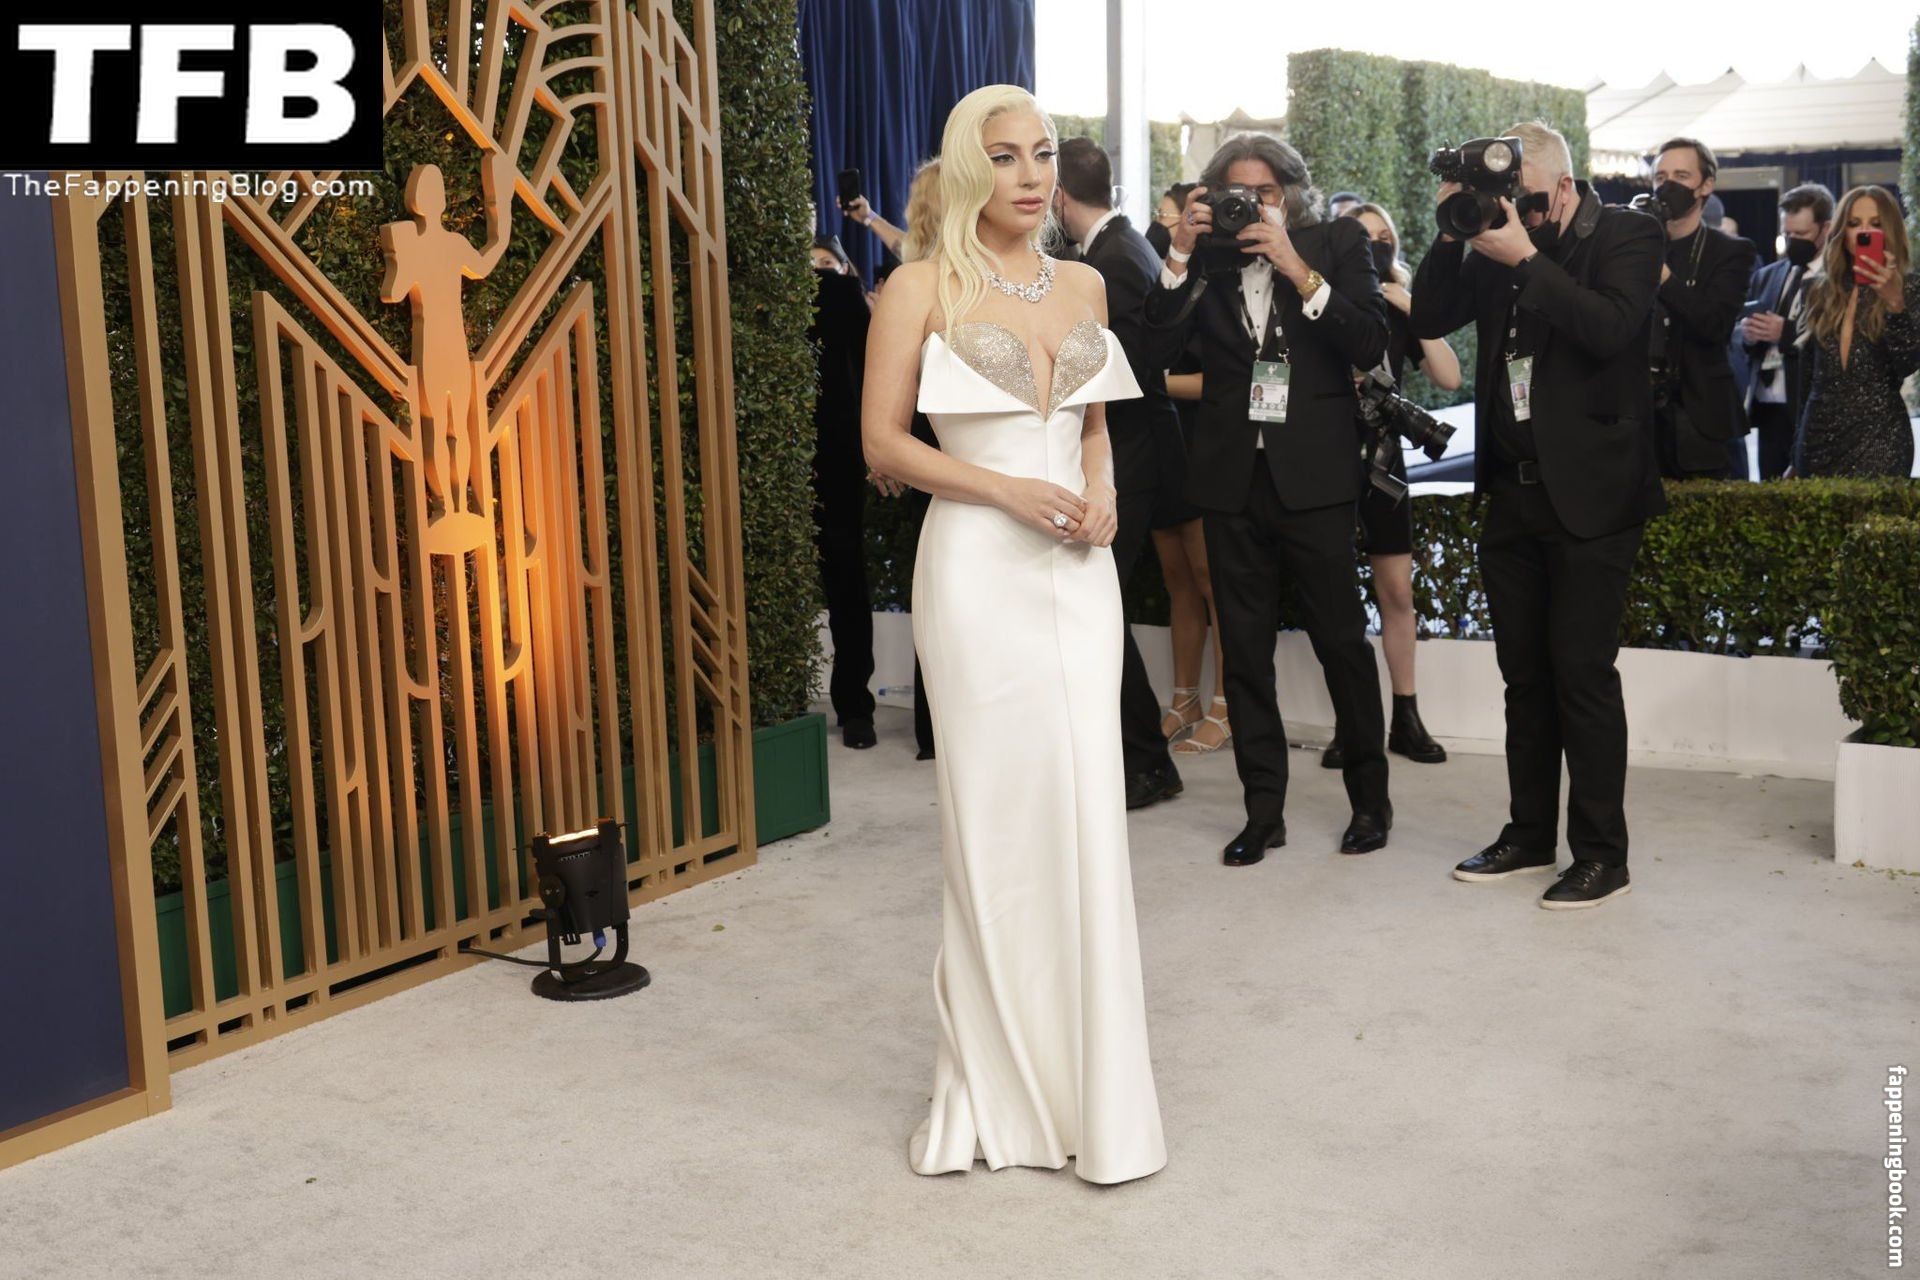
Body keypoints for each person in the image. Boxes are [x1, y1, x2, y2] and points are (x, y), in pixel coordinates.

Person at [862, 84, 1167, 1185]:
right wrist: (1003, 489)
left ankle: (1096, 1097)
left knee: (1085, 810)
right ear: (966, 166)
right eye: (1005, 156)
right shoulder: (919, 286)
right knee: (995, 822)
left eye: (1042, 154)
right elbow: (882, 444)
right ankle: (998, 1089)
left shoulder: (1084, 282)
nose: (1032, 175)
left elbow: (1093, 426)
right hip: (978, 570)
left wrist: (1102, 486)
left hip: (1080, 571)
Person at [1409, 120, 1665, 910]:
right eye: (1502, 200)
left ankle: (1603, 856)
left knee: (1581, 676)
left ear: (1561, 186)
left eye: (1525, 200)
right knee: (1523, 679)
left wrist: (1523, 257)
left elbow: (1611, 329)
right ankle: (1527, 835)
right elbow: (1427, 313)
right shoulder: (1492, 238)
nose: (1514, 213)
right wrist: (1454, 225)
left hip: (1594, 495)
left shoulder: (1626, 234)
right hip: (1513, 491)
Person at [1146, 134, 1394, 864]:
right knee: (1245, 656)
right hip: (1230, 480)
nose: (1251, 206)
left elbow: (1370, 340)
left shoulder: (1336, 242)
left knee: (1341, 644)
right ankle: (1263, 813)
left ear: (1290, 194)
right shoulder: (1207, 258)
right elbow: (1152, 352)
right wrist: (1180, 254)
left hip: (1315, 479)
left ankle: (1370, 802)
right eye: (1237, 193)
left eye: (1265, 193)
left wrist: (1295, 266)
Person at [1054, 137, 1189, 809]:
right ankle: (1138, 757)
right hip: (1131, 452)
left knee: (1096, 605)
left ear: (1058, 196)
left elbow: (1129, 375)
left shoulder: (1111, 261)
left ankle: (1146, 761)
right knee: (1098, 605)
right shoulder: (1118, 248)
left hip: (1131, 457)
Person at [1319, 201, 1462, 771]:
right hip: (1327, 452)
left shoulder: (1401, 306)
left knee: (1397, 591)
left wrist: (1410, 306)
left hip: (1385, 459)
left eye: (1384, 236)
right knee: (1336, 598)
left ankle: (1406, 715)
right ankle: (1351, 722)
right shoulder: (1322, 303)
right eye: (1364, 236)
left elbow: (1449, 376)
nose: (1376, 244)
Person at [1146, 181, 1231, 756]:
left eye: (1179, 216)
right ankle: (1184, 699)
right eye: (1168, 216)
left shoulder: (1221, 281)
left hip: (1206, 441)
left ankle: (1226, 702)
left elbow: (1224, 378)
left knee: (1211, 582)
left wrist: (1152, 382)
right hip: (1163, 440)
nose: (1172, 225)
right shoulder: (1165, 277)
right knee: (1177, 579)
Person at [1645, 138, 1756, 480]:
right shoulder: (1635, 246)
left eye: (1681, 176)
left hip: (1701, 417)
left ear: (1706, 185)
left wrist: (1663, 278)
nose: (1668, 185)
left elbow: (1715, 325)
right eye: (1661, 177)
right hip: (1638, 417)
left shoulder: (1731, 252)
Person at [1792, 185, 1919, 479]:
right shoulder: (1816, 289)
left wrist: (1894, 304)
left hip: (1880, 436)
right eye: (1853, 223)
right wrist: (1795, 450)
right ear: (1841, 231)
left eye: (1875, 224)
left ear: (1889, 230)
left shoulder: (1910, 287)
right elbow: (1807, 377)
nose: (1863, 232)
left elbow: (1908, 364)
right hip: (1816, 437)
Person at [808, 234, 878, 747]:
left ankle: (855, 704)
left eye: (827, 264)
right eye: (810, 265)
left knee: (848, 583)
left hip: (839, 462)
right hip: (797, 463)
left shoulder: (847, 302)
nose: (819, 273)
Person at [1733, 183, 1832, 480]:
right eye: (1787, 234)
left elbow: (1838, 340)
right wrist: (1749, 335)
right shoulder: (1766, 276)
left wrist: (1786, 333)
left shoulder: (1838, 279)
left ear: (1826, 228)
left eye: (1801, 234)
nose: (1792, 241)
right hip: (1769, 407)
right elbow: (1746, 341)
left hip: (1814, 409)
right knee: (1770, 491)